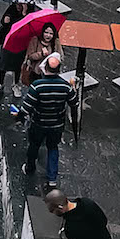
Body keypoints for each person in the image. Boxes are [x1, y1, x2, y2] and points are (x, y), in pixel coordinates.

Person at [25, 54, 73, 185]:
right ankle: (52, 178)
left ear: (45, 68)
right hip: (57, 125)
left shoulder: (37, 86)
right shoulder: (66, 86)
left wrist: (19, 116)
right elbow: (74, 102)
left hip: (38, 123)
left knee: (34, 145)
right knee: (52, 148)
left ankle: (30, 167)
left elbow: (27, 107)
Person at [0, 2, 30, 106]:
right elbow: (5, 22)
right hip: (8, 40)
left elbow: (25, 25)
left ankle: (15, 84)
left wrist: (24, 13)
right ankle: (0, 83)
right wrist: (6, 20)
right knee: (3, 64)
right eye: (17, 3)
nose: (18, 5)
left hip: (21, 42)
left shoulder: (29, 10)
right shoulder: (12, 8)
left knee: (17, 64)